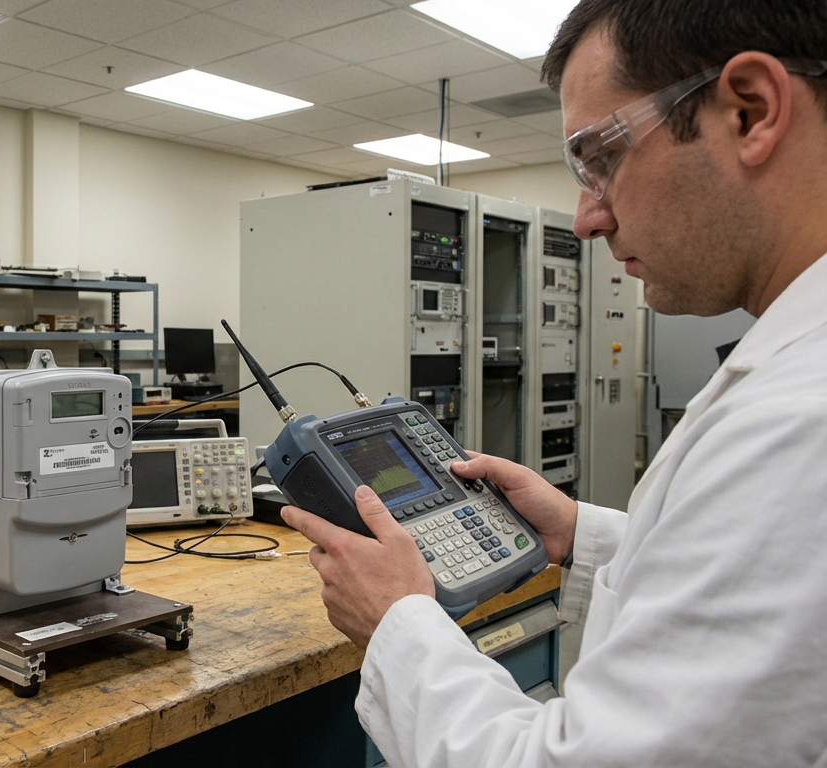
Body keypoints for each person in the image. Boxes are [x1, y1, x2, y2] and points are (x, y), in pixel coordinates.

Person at [280, 1, 827, 765]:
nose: (585, 219)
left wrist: (397, 619)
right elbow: (740, 587)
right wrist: (579, 533)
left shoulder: (796, 424)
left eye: (600, 157)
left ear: (751, 110)